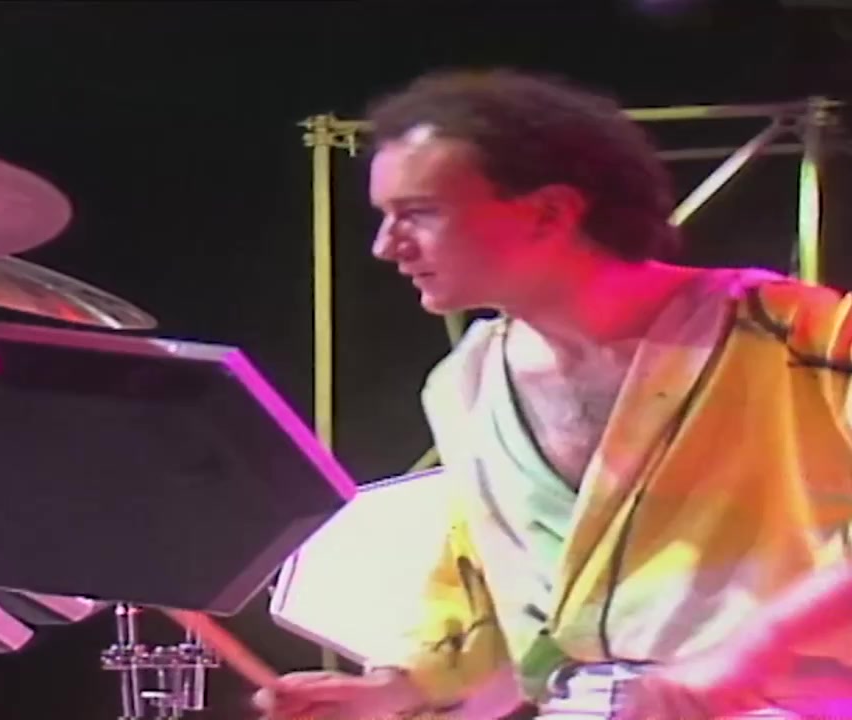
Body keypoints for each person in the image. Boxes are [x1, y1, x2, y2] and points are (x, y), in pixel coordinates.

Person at [253, 68, 852, 719]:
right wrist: (396, 689)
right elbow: (494, 587)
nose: (385, 246)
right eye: (385, 217)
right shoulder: (467, 382)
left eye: (419, 213)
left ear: (550, 212)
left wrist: (757, 647)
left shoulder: (800, 333)